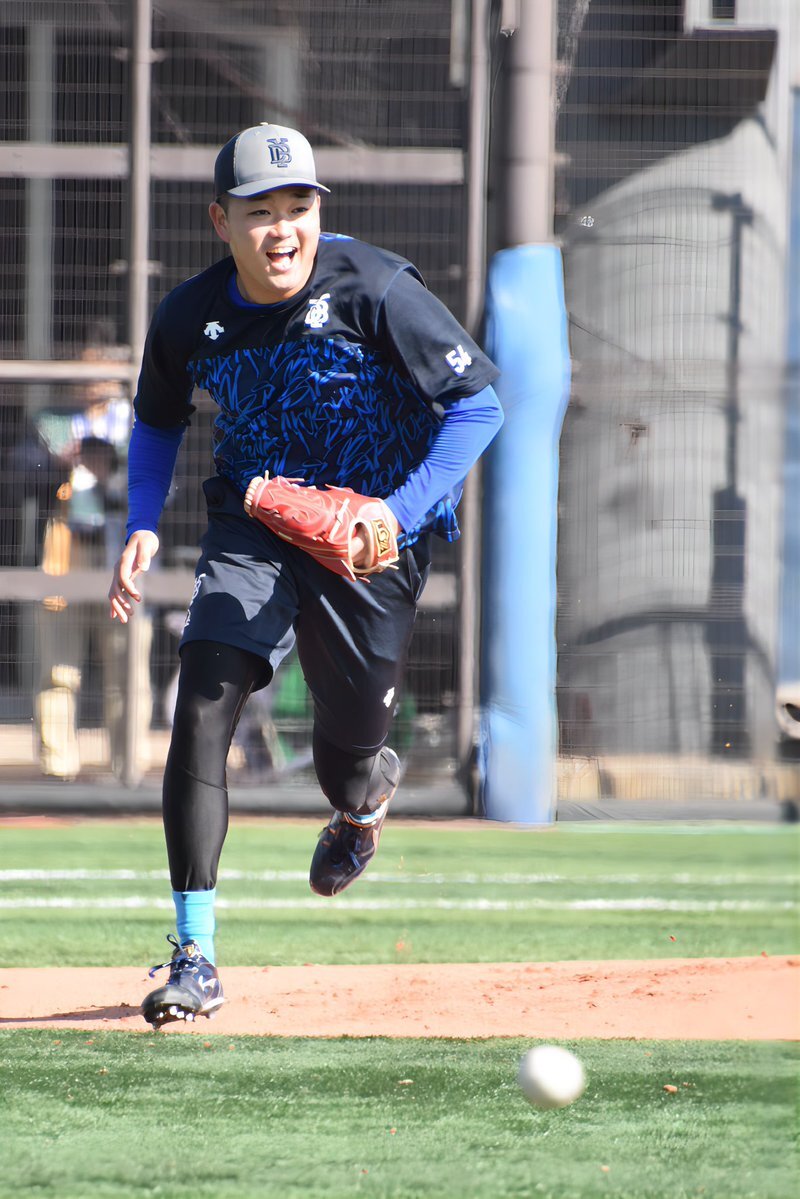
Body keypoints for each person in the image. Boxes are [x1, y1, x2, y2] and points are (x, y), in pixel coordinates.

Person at [107, 122, 503, 1027]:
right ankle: (195, 954)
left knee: (344, 759)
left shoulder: (376, 287)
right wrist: (140, 522)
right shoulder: (190, 316)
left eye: (299, 207)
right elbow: (158, 418)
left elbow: (478, 406)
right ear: (221, 221)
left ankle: (363, 800)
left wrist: (396, 512)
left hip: (368, 543)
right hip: (255, 522)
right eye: (260, 212)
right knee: (203, 699)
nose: (282, 229)